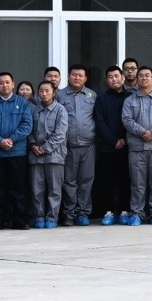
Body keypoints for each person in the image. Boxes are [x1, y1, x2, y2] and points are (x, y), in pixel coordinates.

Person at [0, 72, 32, 230]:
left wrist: (11, 139)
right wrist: (0, 141)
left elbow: (27, 125)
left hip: (17, 152)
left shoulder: (22, 103)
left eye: (7, 82)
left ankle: (18, 219)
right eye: (1, 83)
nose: (4, 85)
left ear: (13, 84)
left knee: (18, 187)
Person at [122, 68, 152, 225]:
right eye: (141, 76)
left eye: (147, 75)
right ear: (137, 79)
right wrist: (142, 132)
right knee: (137, 183)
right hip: (137, 147)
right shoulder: (129, 100)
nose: (144, 78)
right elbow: (127, 120)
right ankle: (137, 213)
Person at [53, 68, 96, 227]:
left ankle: (83, 213)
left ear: (85, 78)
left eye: (80, 75)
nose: (77, 78)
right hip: (68, 145)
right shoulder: (60, 95)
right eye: (74, 75)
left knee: (86, 180)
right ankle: (69, 214)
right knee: (69, 181)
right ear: (68, 76)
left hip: (89, 144)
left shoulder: (92, 95)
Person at [28, 81, 69, 228]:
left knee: (54, 189)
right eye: (41, 91)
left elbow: (60, 133)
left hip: (54, 156)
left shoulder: (60, 110)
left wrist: (45, 148)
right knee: (36, 189)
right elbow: (28, 129)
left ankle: (52, 217)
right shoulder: (34, 110)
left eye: (47, 91)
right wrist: (33, 144)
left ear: (54, 92)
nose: (44, 94)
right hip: (35, 156)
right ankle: (39, 217)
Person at [93, 66, 130, 225]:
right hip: (107, 147)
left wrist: (124, 139)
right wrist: (114, 141)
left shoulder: (130, 97)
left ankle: (125, 210)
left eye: (116, 76)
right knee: (108, 181)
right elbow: (99, 122)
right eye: (110, 77)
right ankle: (108, 211)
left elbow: (132, 120)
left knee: (125, 180)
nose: (114, 79)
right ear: (106, 80)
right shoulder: (101, 99)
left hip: (128, 147)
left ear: (122, 77)